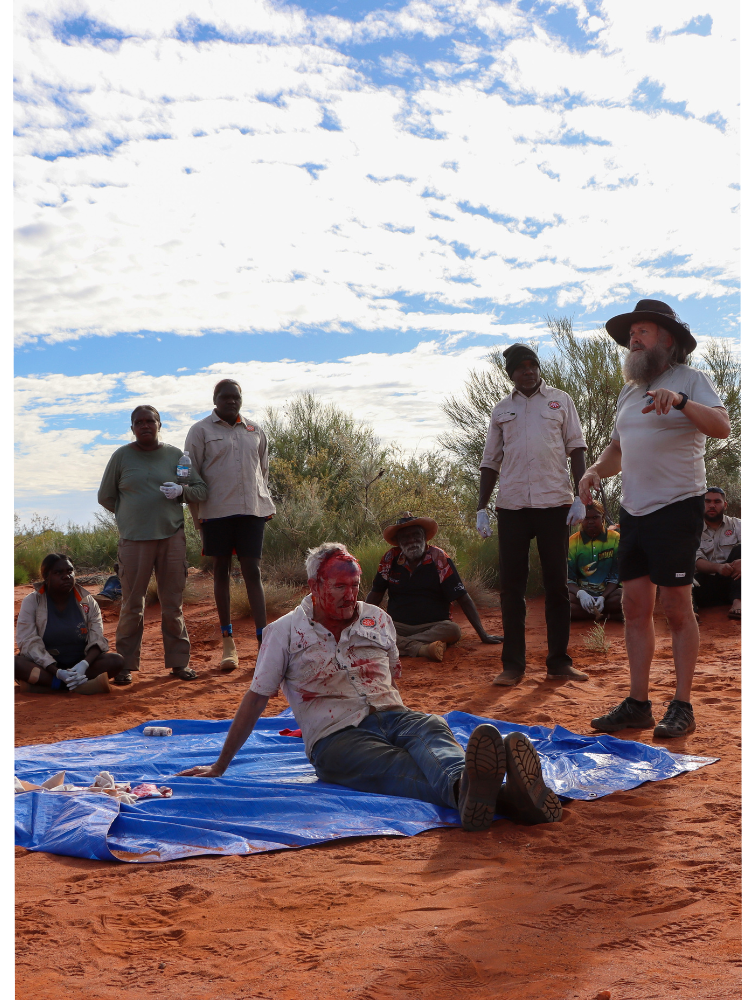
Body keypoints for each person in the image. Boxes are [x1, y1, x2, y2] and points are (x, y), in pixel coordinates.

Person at [179, 543, 562, 831]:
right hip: (337, 737)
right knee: (396, 765)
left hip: (394, 716)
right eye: (339, 586)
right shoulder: (283, 633)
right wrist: (220, 765)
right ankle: (498, 796)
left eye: (355, 586)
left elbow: (392, 678)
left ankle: (470, 787)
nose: (350, 595)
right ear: (315, 585)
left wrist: (399, 722)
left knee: (431, 726)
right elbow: (255, 698)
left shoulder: (378, 619)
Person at [579, 300, 730, 738]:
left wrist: (682, 402)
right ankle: (638, 703)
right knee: (634, 606)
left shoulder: (692, 380)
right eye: (631, 334)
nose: (633, 339)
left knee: (677, 608)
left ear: (666, 339)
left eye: (642, 331)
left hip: (678, 506)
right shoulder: (630, 391)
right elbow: (617, 450)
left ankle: (682, 705)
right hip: (635, 511)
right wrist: (592, 471)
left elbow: (722, 426)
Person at [476, 343, 589, 686]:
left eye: (532, 365)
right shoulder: (501, 411)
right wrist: (481, 507)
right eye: (521, 367)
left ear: (539, 368)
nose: (528, 371)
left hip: (555, 504)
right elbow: (489, 461)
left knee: (557, 585)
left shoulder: (560, 400)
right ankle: (512, 666)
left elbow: (577, 448)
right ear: (511, 373)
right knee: (512, 588)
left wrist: (580, 498)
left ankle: (558, 662)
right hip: (511, 507)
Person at [98, 405, 208, 684]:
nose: (145, 426)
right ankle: (123, 665)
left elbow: (200, 490)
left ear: (160, 425)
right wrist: (131, 516)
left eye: (150, 421)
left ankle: (179, 663)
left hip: (171, 538)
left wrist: (181, 491)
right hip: (134, 541)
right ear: (132, 427)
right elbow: (106, 497)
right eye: (139, 422)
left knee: (173, 604)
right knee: (132, 604)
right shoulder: (121, 457)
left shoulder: (175, 456)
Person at [184, 380, 276, 672]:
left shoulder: (255, 430)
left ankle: (264, 644)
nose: (231, 401)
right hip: (216, 512)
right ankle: (228, 643)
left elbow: (262, 470)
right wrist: (196, 516)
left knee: (252, 571)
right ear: (215, 399)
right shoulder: (200, 431)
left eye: (236, 397)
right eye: (225, 397)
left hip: (251, 510)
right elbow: (190, 475)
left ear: (241, 399)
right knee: (220, 571)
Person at [363, 513, 502, 662]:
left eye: (416, 535)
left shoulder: (438, 557)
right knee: (370, 629)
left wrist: (483, 634)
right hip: (398, 625)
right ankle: (421, 648)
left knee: (453, 630)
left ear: (425, 537)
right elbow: (375, 595)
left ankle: (395, 643)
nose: (412, 541)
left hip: (434, 626)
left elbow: (462, 597)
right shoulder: (390, 558)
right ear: (398, 541)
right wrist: (360, 621)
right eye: (405, 537)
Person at [15, 554, 125, 694]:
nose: (66, 576)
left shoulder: (88, 601)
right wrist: (57, 671)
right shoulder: (32, 601)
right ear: (46, 577)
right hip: (45, 666)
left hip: (79, 665)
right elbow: (28, 642)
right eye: (58, 572)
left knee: (116, 661)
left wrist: (84, 665)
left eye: (70, 571)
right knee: (13, 664)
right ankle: (78, 686)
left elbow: (97, 638)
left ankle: (46, 686)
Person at [567, 502, 623, 621]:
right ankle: (607, 616)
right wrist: (581, 594)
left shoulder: (615, 538)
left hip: (609, 596)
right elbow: (568, 579)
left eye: (595, 517)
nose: (591, 521)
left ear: (602, 518)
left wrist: (603, 597)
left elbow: (616, 576)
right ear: (581, 519)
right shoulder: (572, 542)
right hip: (582, 597)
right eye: (586, 518)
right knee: (562, 601)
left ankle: (590, 615)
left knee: (625, 596)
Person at [694, 487, 741, 620]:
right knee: (686, 577)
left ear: (725, 505)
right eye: (707, 501)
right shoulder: (693, 530)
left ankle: (739, 601)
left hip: (735, 581)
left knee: (741, 550)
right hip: (706, 584)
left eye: (717, 501)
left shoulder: (738, 525)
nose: (712, 505)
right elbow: (696, 560)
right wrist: (719, 568)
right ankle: (690, 611)